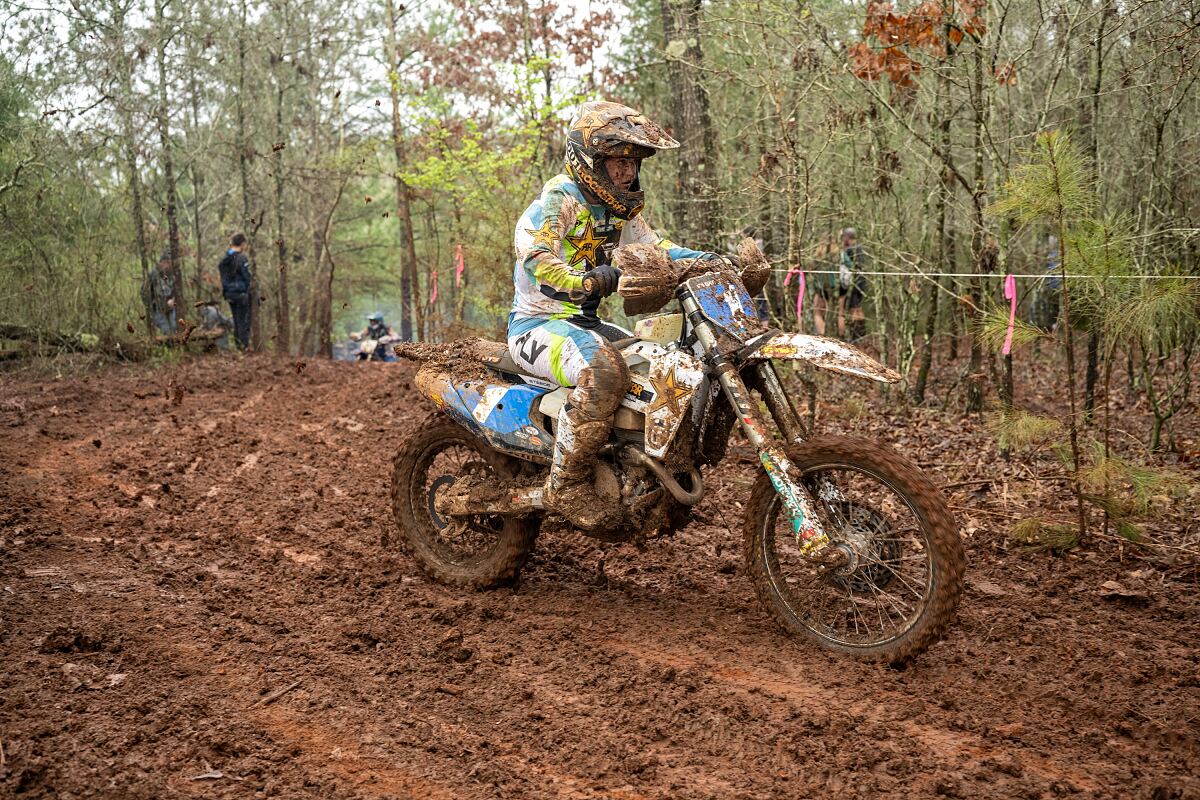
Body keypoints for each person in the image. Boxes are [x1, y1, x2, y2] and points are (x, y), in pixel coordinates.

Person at [509, 100, 725, 530]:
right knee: (605, 373)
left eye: (633, 163)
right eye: (618, 162)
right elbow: (534, 252)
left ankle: (639, 470)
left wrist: (714, 261)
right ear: (589, 159)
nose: (627, 173)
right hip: (537, 325)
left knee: (667, 367)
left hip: (584, 324)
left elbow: (657, 251)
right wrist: (584, 281)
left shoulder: (619, 210)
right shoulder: (560, 200)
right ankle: (566, 484)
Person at [217, 234, 253, 350]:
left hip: (229, 293)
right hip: (240, 293)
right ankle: (243, 346)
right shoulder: (242, 259)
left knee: (236, 320)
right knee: (243, 320)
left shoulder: (224, 259)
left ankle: (238, 345)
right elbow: (247, 277)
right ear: (242, 244)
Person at [839, 227, 868, 342]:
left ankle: (858, 336)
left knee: (854, 308)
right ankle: (859, 335)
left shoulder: (851, 249)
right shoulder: (859, 247)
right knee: (856, 307)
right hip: (859, 281)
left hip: (855, 282)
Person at [140, 252, 177, 335]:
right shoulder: (153, 275)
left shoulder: (172, 275)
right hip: (158, 310)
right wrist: (151, 305)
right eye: (167, 263)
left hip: (171, 309)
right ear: (161, 262)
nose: (168, 266)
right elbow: (143, 292)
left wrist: (173, 300)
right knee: (166, 330)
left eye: (170, 263)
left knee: (175, 328)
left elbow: (176, 292)